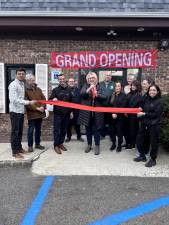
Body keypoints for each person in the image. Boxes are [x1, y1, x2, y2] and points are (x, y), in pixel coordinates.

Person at [8, 68, 35, 159]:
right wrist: (28, 102)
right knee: (15, 132)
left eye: (22, 74)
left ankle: (19, 148)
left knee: (19, 131)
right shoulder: (13, 85)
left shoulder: (22, 84)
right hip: (14, 111)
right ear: (16, 74)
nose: (21, 75)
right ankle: (15, 152)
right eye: (19, 74)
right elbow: (14, 100)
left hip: (20, 111)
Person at [134, 84, 163, 167]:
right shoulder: (147, 99)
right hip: (145, 123)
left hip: (154, 124)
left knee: (154, 143)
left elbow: (156, 114)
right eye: (150, 90)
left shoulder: (159, 101)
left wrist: (144, 113)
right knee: (140, 140)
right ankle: (142, 156)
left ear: (157, 92)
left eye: (154, 90)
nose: (152, 92)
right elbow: (142, 106)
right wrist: (141, 109)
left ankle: (153, 159)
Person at [78, 72, 107, 155]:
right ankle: (89, 145)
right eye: (90, 78)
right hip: (87, 113)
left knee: (96, 130)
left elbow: (104, 97)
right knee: (88, 130)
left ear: (95, 79)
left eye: (92, 78)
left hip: (97, 114)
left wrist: (97, 94)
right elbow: (82, 94)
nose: (91, 79)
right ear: (88, 79)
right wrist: (90, 88)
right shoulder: (86, 86)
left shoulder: (100, 86)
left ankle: (97, 145)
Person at [49, 74, 72, 154]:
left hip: (67, 114)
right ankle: (56, 145)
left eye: (63, 79)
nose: (62, 80)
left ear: (65, 79)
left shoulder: (69, 90)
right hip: (58, 114)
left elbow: (71, 102)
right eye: (60, 79)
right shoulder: (55, 90)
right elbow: (50, 100)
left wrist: (71, 112)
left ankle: (61, 143)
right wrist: (53, 99)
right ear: (58, 80)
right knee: (56, 130)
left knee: (64, 130)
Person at [25, 74, 46, 152]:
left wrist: (43, 107)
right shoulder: (25, 90)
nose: (34, 81)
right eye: (32, 80)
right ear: (28, 81)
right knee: (31, 130)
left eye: (34, 80)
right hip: (32, 114)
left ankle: (37, 144)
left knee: (38, 130)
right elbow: (27, 103)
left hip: (40, 113)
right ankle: (30, 146)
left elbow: (44, 99)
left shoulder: (38, 89)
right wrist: (37, 108)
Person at [109, 82, 127, 152]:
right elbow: (109, 105)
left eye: (118, 86)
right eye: (116, 86)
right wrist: (112, 113)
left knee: (119, 131)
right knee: (112, 131)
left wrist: (116, 113)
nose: (117, 87)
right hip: (112, 116)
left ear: (121, 87)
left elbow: (123, 106)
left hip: (120, 117)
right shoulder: (112, 95)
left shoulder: (124, 96)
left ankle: (119, 145)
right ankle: (113, 143)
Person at [65, 78, 84, 142]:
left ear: (75, 82)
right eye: (70, 81)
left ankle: (79, 136)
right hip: (68, 111)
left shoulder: (79, 90)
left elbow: (80, 100)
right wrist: (70, 111)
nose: (71, 82)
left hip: (77, 111)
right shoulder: (65, 90)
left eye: (72, 81)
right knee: (68, 125)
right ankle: (68, 137)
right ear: (68, 83)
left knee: (77, 124)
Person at [126, 80, 142, 149]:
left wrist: (128, 110)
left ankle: (132, 144)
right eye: (132, 85)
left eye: (134, 85)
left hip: (134, 116)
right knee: (128, 129)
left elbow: (133, 104)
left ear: (137, 86)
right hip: (128, 114)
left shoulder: (138, 94)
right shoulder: (130, 93)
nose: (133, 86)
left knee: (133, 129)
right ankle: (128, 142)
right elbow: (126, 102)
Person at [99, 71, 115, 139]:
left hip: (110, 107)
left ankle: (111, 136)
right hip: (102, 106)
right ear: (104, 76)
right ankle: (102, 135)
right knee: (102, 122)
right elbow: (98, 93)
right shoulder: (100, 84)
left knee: (111, 122)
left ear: (111, 77)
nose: (108, 76)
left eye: (109, 75)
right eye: (106, 75)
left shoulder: (114, 84)